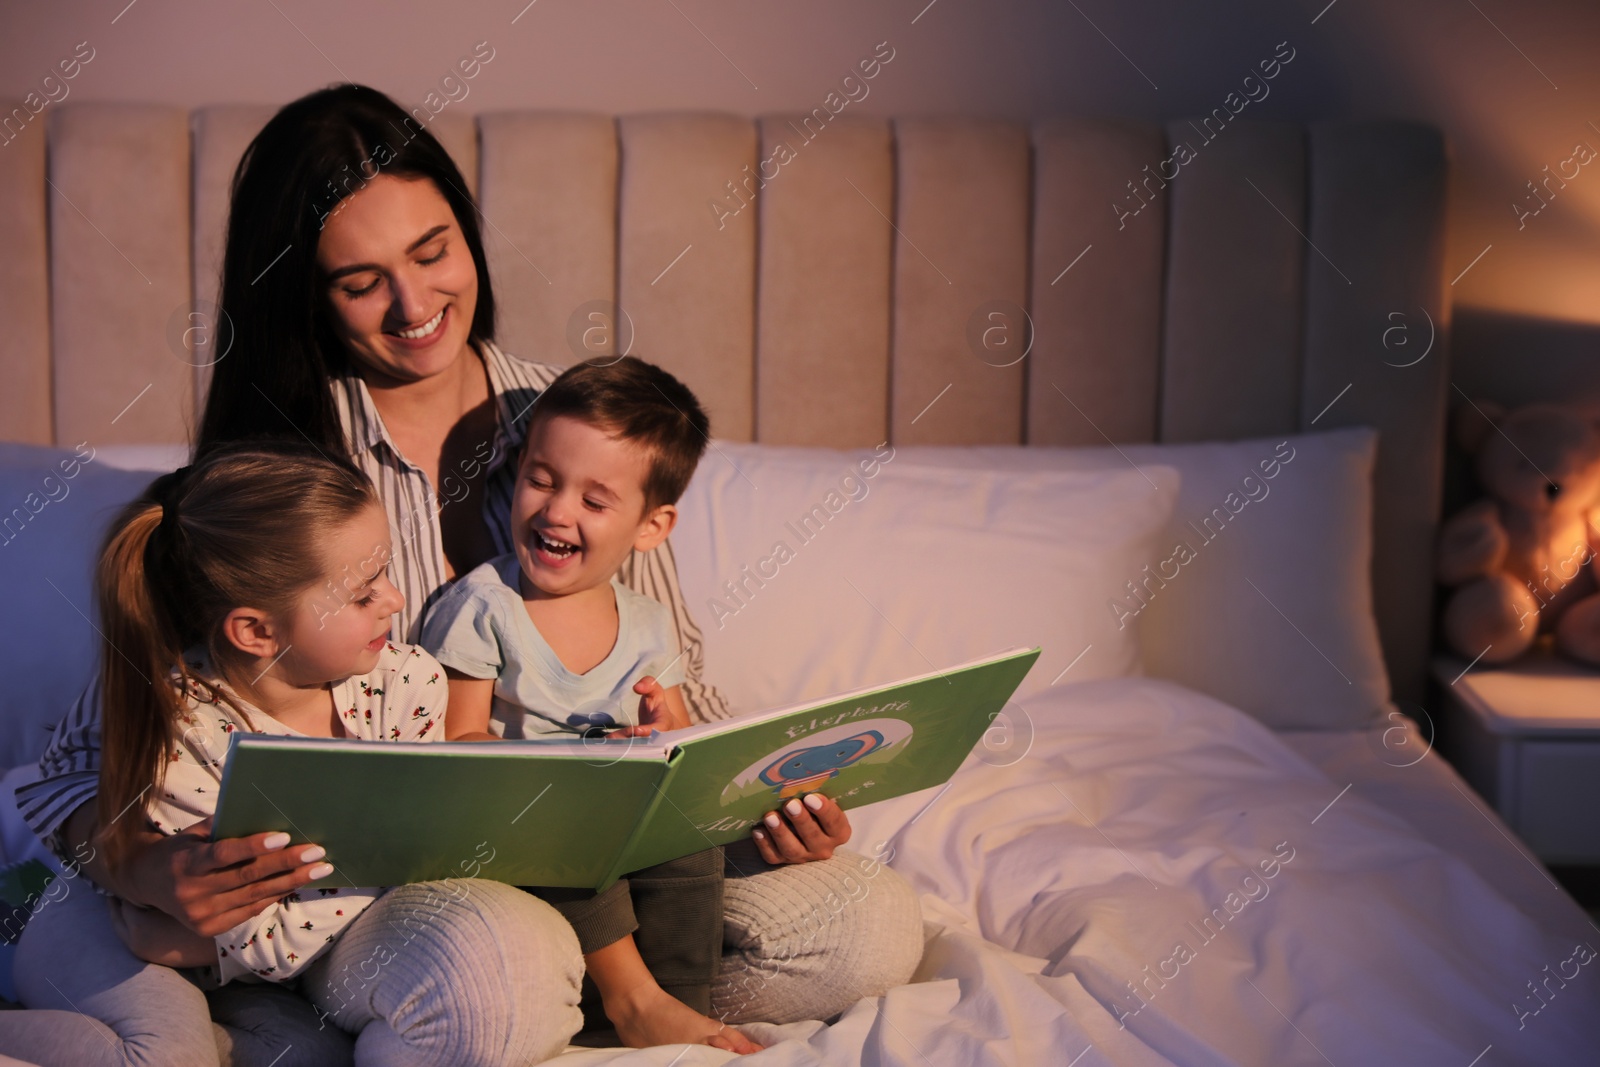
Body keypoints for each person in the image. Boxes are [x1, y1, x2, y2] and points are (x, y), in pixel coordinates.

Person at [15, 82, 923, 1050]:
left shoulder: (574, 419)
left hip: (609, 843)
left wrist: (759, 796)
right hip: (420, 886)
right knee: (500, 954)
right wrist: (148, 868)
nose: (416, 306)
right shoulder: (281, 474)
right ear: (303, 295)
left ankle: (551, 997)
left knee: (868, 925)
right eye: (361, 282)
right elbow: (83, 764)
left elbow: (666, 684)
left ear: (468, 231)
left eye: (433, 250)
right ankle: (415, 998)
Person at [6, 444, 583, 1067]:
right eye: (364, 593)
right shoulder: (185, 728)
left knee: (305, 1055)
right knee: (163, 1057)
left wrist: (189, 946)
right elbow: (265, 938)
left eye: (386, 572)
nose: (394, 601)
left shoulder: (406, 682)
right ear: (257, 632)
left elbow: (409, 863)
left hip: (232, 966)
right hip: (109, 926)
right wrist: (156, 905)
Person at [421, 356, 756, 1052]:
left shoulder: (649, 624)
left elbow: (681, 744)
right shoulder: (484, 607)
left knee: (690, 843)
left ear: (651, 526)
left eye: (594, 500)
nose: (556, 510)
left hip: (621, 818)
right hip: (522, 823)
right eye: (540, 479)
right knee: (566, 829)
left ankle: (675, 1006)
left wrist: (661, 732)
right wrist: (557, 773)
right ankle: (629, 1002)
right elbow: (457, 740)